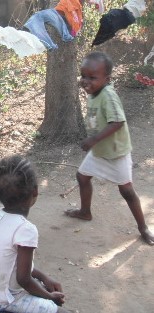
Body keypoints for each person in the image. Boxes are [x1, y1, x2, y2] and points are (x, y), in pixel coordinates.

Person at [65, 51, 154, 246]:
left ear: (107, 79)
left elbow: (117, 122)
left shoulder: (108, 96)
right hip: (100, 150)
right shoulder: (94, 92)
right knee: (82, 176)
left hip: (115, 153)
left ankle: (143, 228)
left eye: (92, 77)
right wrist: (94, 141)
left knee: (127, 191)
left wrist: (93, 139)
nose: (86, 81)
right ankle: (85, 212)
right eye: (84, 76)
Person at [0, 155, 70, 313]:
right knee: (58, 311)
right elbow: (23, 279)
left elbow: (12, 263)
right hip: (4, 299)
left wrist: (43, 277)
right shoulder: (26, 230)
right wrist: (49, 296)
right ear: (35, 191)